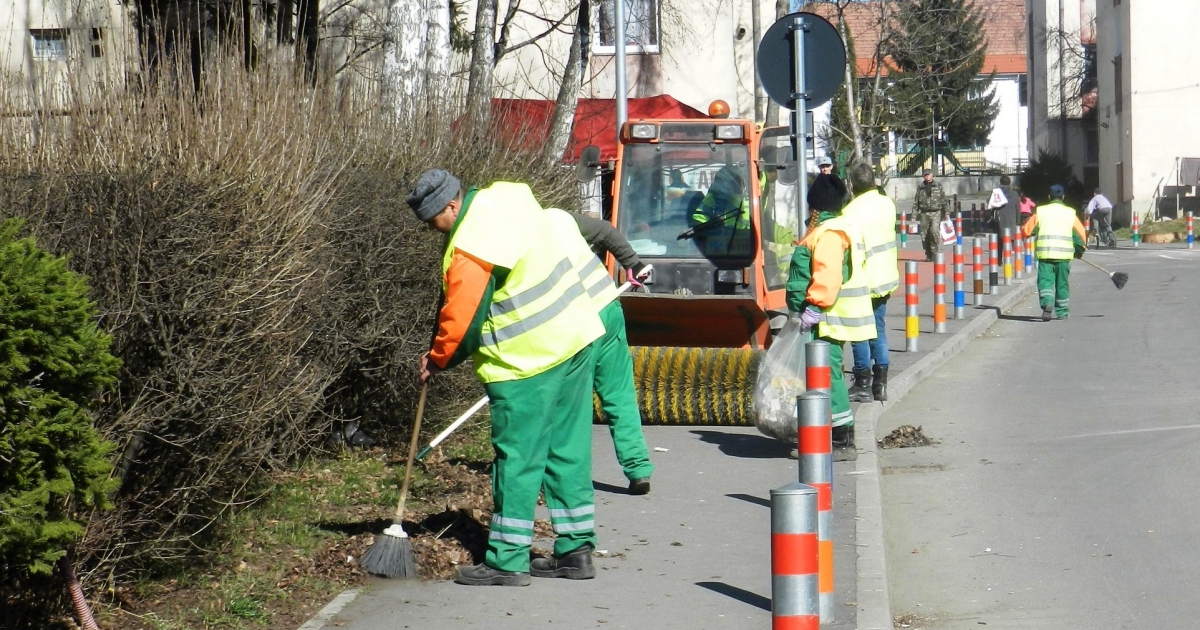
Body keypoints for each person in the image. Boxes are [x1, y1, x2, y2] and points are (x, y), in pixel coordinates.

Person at [409, 169, 605, 586]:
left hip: (526, 362)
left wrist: (438, 359)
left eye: (432, 221)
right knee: (567, 450)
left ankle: (508, 560)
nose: (431, 230)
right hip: (576, 338)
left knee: (517, 459)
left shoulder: (471, 243)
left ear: (451, 205)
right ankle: (576, 551)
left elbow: (463, 318)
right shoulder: (509, 198)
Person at [560, 211, 656, 494]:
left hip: (578, 319)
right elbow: (604, 230)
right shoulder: (560, 219)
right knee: (619, 394)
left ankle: (571, 477)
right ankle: (638, 470)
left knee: (573, 403)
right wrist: (633, 264)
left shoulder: (515, 239)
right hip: (608, 305)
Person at [785, 190, 875, 461]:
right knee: (822, 374)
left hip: (827, 315)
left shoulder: (829, 233)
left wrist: (814, 306)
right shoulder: (837, 227)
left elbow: (829, 274)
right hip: (830, 314)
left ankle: (841, 440)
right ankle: (824, 434)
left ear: (816, 207)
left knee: (827, 374)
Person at [841, 164, 898, 404]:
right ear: (874, 181)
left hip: (861, 279)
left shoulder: (851, 211)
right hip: (885, 276)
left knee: (860, 332)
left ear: (852, 185)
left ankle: (862, 383)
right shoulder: (887, 204)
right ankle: (881, 384)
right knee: (879, 330)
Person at [1022, 184, 1087, 322]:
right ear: (1063, 197)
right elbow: (1080, 236)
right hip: (1064, 257)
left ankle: (1047, 303)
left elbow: (1027, 231)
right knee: (1062, 284)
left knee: (1045, 281)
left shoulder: (1040, 212)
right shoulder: (1070, 213)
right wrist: (1079, 251)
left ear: (1049, 197)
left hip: (1046, 255)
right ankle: (1062, 312)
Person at [914, 168, 948, 261]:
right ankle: (928, 254)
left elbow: (944, 199)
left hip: (935, 212)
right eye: (925, 175)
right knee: (924, 234)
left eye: (928, 174)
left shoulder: (938, 185)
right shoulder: (920, 187)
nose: (927, 176)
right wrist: (914, 215)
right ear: (923, 176)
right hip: (924, 213)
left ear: (932, 175)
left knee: (934, 231)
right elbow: (916, 202)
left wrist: (946, 213)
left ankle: (934, 252)